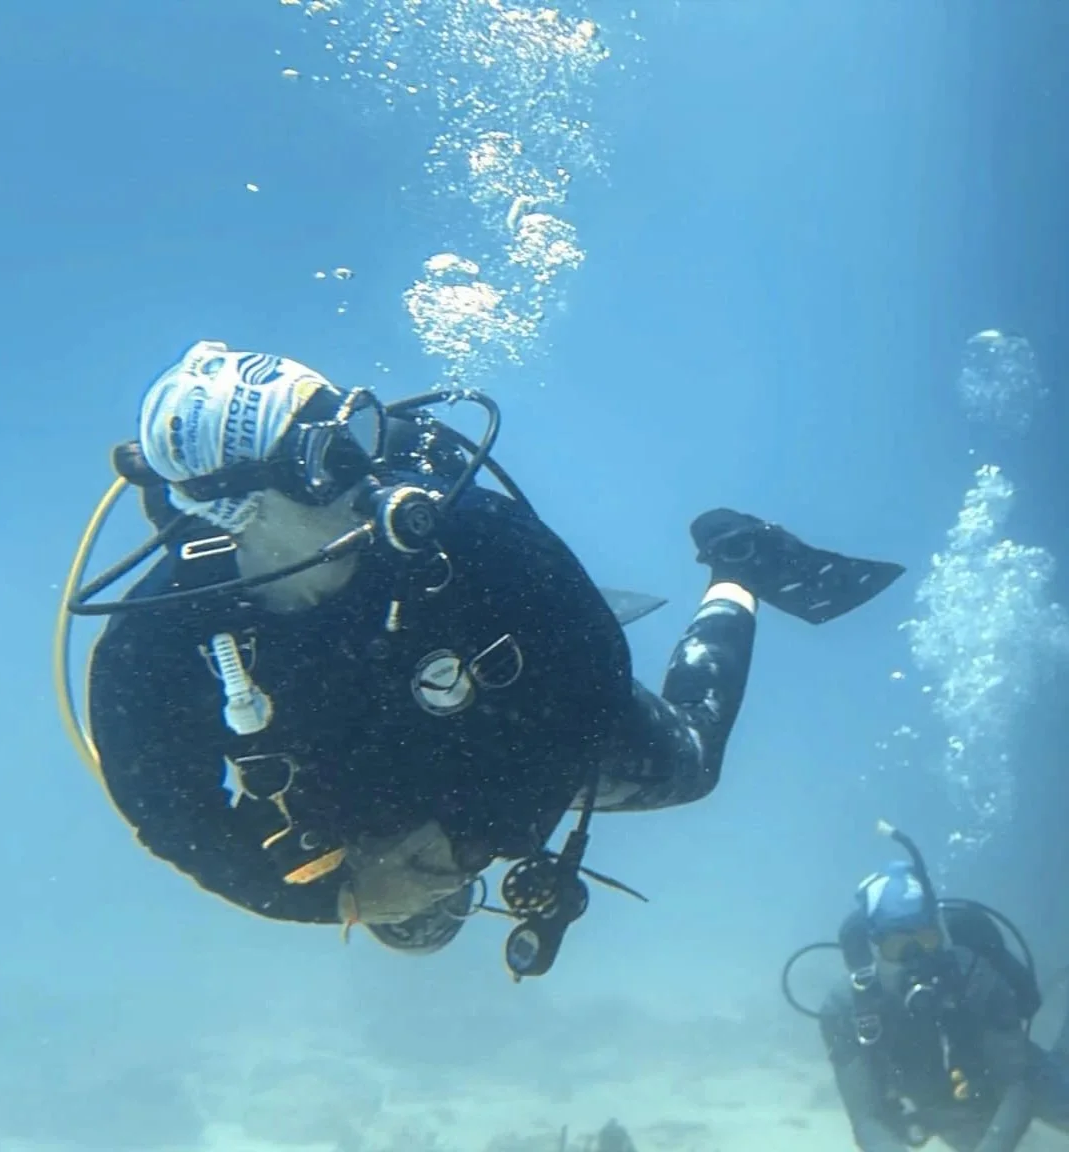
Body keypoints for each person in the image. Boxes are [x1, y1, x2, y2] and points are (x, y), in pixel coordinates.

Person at [56, 340, 905, 979]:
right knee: (413, 934)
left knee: (691, 764)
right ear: (236, 504)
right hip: (360, 776)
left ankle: (735, 568)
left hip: (521, 718)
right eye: (328, 457)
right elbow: (168, 811)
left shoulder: (464, 528)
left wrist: (477, 835)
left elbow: (592, 678)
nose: (364, 470)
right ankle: (405, 888)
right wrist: (332, 899)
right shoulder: (153, 643)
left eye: (355, 431)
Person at [812, 823, 1069, 1152]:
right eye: (898, 947)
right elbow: (866, 1118)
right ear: (874, 949)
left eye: (926, 940)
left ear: (941, 935)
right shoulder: (846, 1009)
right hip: (944, 1105)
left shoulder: (976, 979)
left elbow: (1017, 1084)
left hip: (1013, 1080)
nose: (916, 959)